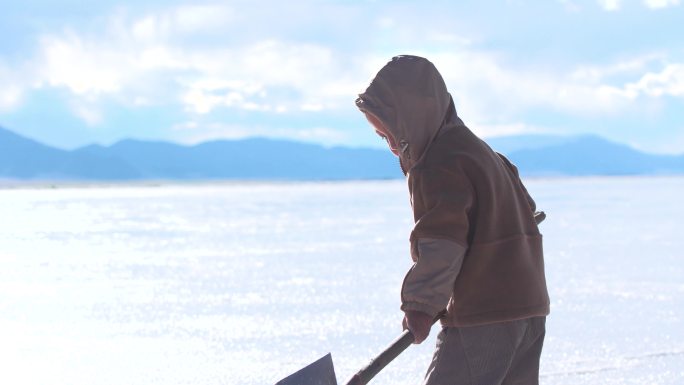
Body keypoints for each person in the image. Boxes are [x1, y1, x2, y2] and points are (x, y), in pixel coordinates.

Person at [355, 55, 550, 385]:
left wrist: (420, 305)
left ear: (411, 120)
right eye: (381, 138)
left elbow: (442, 242)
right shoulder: (482, 152)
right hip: (529, 305)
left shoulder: (436, 163)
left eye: (391, 135)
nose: (391, 148)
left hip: (484, 311)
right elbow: (526, 210)